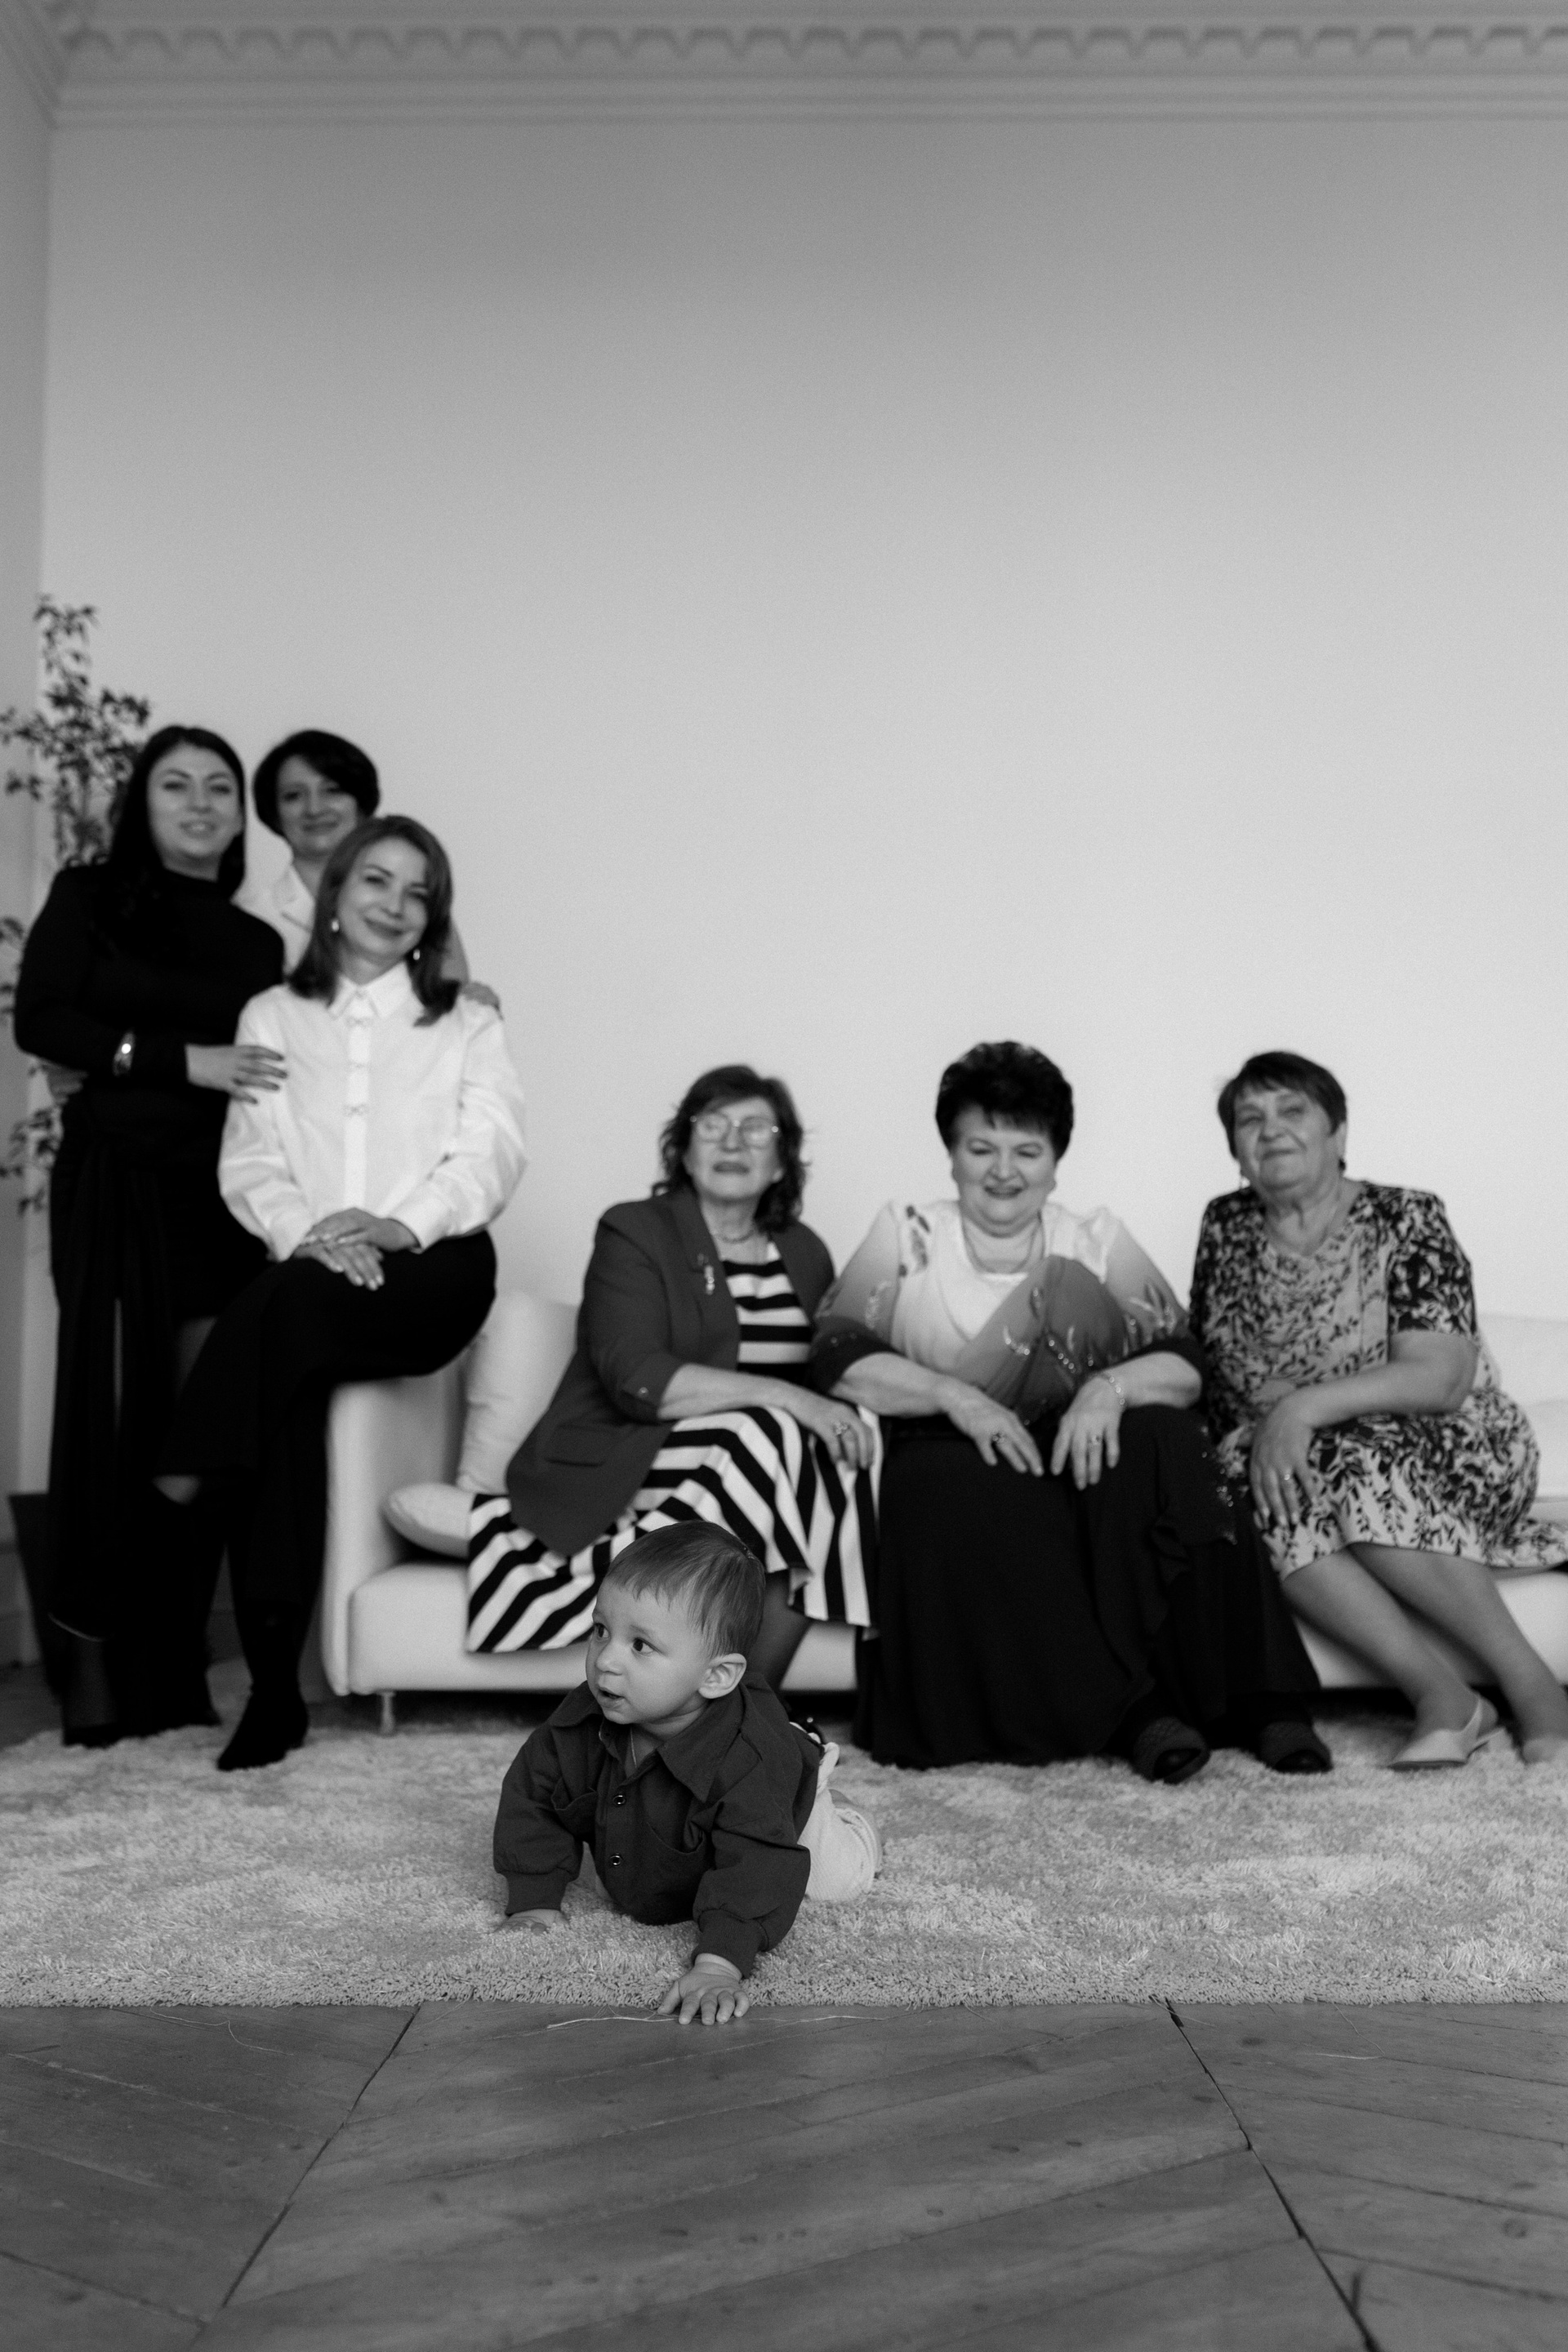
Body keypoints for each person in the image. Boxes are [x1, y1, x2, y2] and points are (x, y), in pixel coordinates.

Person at [813, 1041, 1325, 1780]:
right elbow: (836, 1351)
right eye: (981, 1148)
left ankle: (1265, 1699)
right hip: (947, 1436)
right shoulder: (907, 1231)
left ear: (1056, 1162)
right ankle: (1134, 1711)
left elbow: (1185, 1361)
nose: (1004, 1171)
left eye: (1027, 1151)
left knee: (1169, 1439)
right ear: (951, 1155)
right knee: (961, 1483)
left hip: (1077, 1436)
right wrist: (955, 1396)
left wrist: (1105, 1390)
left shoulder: (1095, 1237)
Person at [160, 815, 525, 1771]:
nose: (395, 905)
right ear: (336, 894)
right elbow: (252, 1163)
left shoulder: (468, 1020)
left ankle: (170, 1499)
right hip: (312, 1275)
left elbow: (490, 1153)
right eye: (376, 881)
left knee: (276, 1317)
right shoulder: (271, 1016)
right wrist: (315, 1238)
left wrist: (397, 1227)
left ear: (434, 917)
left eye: (419, 893)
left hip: (436, 1269)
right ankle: (274, 1690)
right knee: (282, 1384)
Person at [13, 726, 285, 1744]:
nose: (201, 803)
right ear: (144, 802)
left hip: (219, 1200)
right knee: (115, 1419)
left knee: (200, 1429)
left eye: (219, 787)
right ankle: (90, 1651)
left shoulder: (258, 945)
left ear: (239, 814)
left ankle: (166, 1652)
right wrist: (176, 1061)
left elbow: (285, 1068)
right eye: (177, 785)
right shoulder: (90, 895)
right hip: (115, 1188)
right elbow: (42, 1021)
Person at [1189, 1049, 1568, 1769]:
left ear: (1337, 1132)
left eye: (1293, 1110)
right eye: (1249, 1118)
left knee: (1342, 1456)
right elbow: (1210, 1365)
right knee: (1243, 1485)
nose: (1271, 1129)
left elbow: (1440, 1377)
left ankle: (1535, 1687)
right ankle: (1444, 1697)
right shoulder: (1225, 1227)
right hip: (1292, 1449)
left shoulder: (1405, 1216)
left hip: (1453, 1440)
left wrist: (1299, 1410)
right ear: (1235, 1148)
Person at [446, 1065, 879, 1685]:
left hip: (761, 1469)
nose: (733, 1142)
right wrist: (787, 1401)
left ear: (782, 1162)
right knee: (768, 1429)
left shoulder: (804, 1250)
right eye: (714, 1125)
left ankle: (751, 1705)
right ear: (684, 1150)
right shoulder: (635, 1230)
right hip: (630, 1452)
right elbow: (634, 1375)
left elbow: (828, 1369)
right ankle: (748, 1708)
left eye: (756, 1129)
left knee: (852, 1432)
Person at [493, 1523, 881, 2025]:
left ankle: (845, 1811)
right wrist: (533, 1901)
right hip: (688, 1803)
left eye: (640, 1646)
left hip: (776, 1792)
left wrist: (719, 1964)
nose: (605, 1660)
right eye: (601, 1630)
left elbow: (756, 1866)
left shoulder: (750, 1762)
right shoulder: (582, 1722)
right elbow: (533, 1799)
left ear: (715, 1676)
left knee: (831, 1881)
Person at [236, 728, 472, 982]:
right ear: (274, 812)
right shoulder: (251, 916)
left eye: (333, 790)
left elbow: (452, 992)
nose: (314, 808)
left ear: (360, 803)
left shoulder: (414, 905)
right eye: (293, 796)